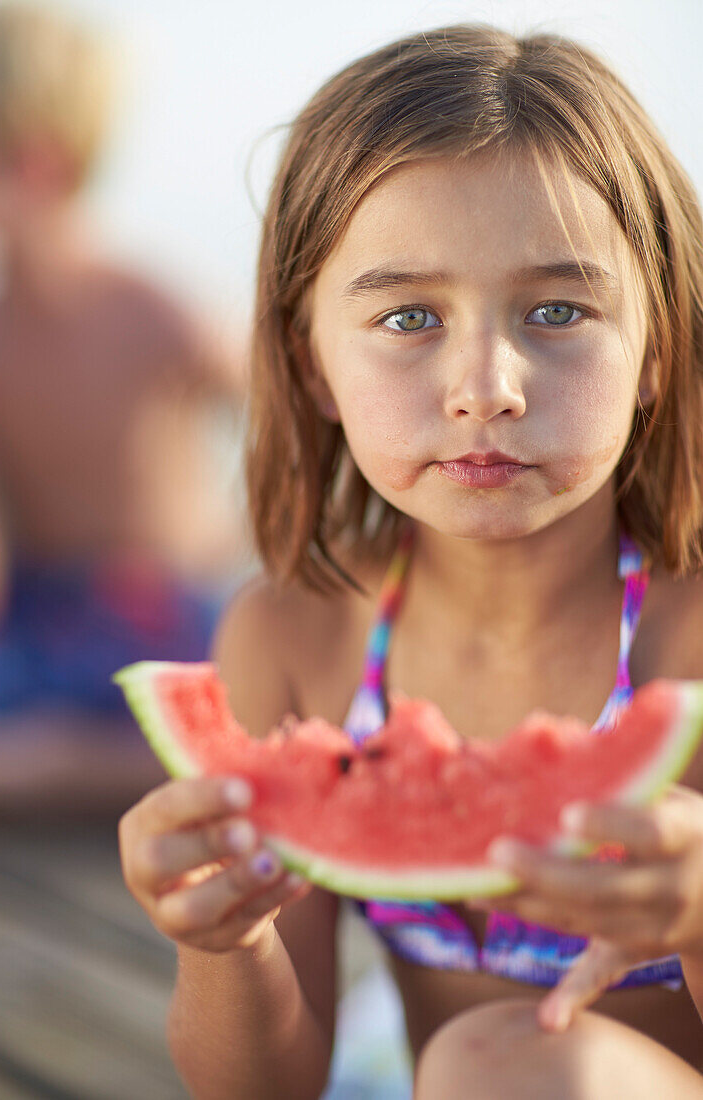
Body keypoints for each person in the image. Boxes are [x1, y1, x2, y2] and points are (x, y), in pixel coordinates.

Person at [118, 24, 703, 1098]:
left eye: (558, 310)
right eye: (407, 316)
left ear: (655, 350)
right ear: (315, 366)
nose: (484, 385)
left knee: (497, 1062)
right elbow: (263, 1086)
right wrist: (222, 939)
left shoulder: (689, 653)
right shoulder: (295, 636)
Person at [0, 2, 250, 819]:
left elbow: (298, 422)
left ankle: (37, 768)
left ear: (31, 162)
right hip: (33, 614)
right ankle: (47, 761)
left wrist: (241, 540)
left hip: (152, 608)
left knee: (221, 703)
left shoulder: (150, 310)